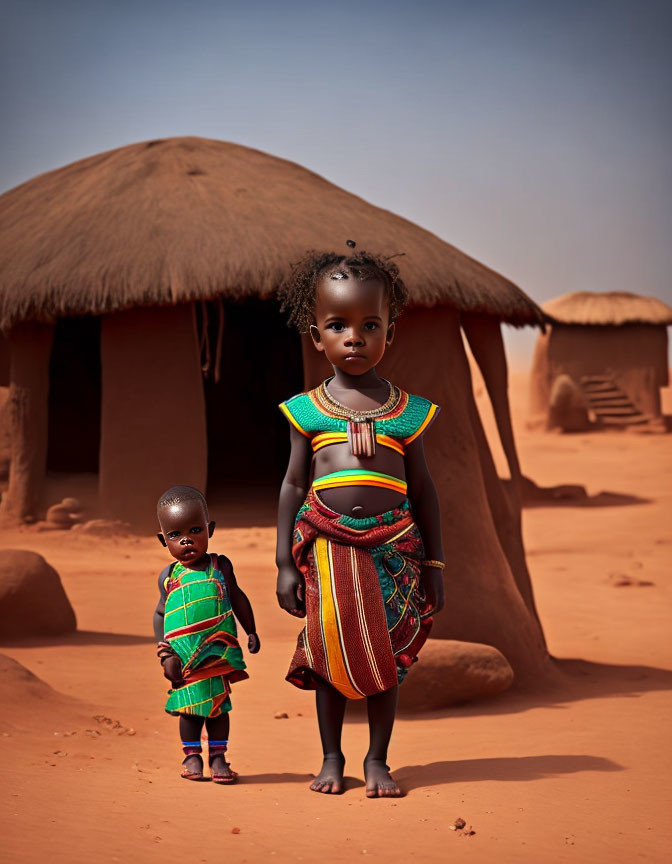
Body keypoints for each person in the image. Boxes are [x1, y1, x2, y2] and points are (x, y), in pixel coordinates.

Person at [275, 248, 445, 797]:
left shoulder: (408, 411)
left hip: (394, 550)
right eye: (338, 326)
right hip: (326, 550)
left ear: (389, 333)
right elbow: (294, 486)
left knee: (386, 658)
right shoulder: (306, 410)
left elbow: (422, 490)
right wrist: (284, 563)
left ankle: (377, 759)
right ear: (315, 334)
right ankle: (331, 757)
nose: (354, 338)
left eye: (369, 325)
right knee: (328, 655)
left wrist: (435, 563)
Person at [153, 485, 260, 783]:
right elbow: (160, 614)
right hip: (183, 656)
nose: (186, 539)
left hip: (216, 651)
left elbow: (237, 597)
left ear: (210, 530)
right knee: (189, 707)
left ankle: (218, 758)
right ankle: (192, 758)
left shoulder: (220, 566)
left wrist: (251, 629)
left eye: (195, 529)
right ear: (164, 541)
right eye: (175, 535)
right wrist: (165, 654)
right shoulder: (169, 576)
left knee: (217, 706)